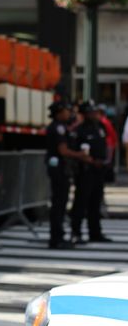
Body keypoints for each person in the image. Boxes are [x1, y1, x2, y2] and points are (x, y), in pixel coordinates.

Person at [45, 101, 91, 249]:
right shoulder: (57, 127)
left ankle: (59, 235)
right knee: (59, 203)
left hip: (62, 169)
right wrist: (80, 155)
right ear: (58, 112)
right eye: (66, 111)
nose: (68, 113)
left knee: (61, 203)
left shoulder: (63, 127)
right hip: (58, 170)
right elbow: (63, 151)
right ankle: (56, 238)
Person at [70, 100, 112, 244]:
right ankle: (76, 232)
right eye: (91, 112)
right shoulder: (79, 130)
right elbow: (76, 151)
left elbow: (105, 145)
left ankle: (95, 232)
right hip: (85, 171)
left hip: (98, 171)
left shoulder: (100, 127)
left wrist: (105, 161)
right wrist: (91, 161)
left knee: (95, 203)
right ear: (85, 114)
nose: (95, 114)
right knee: (81, 203)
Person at [97, 104, 118, 183]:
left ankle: (108, 177)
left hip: (108, 143)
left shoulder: (104, 121)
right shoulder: (104, 121)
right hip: (108, 143)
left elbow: (111, 133)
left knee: (108, 161)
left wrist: (114, 142)